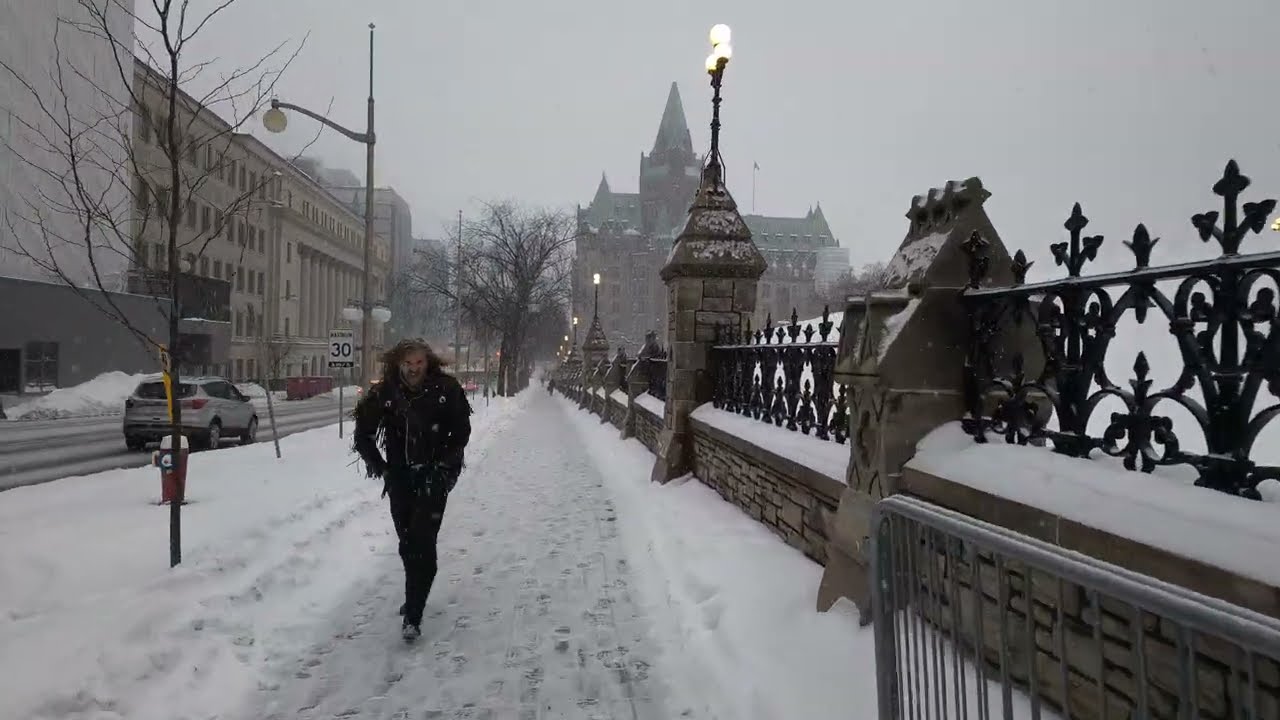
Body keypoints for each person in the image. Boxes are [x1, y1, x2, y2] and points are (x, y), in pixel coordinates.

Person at [352, 338, 472, 642]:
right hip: (400, 479)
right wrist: (382, 468)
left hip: (435, 477)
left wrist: (443, 467)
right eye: (408, 363)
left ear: (428, 362)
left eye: (419, 362)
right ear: (398, 364)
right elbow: (363, 434)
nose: (413, 369)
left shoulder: (446, 389)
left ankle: (413, 616)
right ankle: (414, 593)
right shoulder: (385, 393)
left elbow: (461, 432)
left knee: (423, 541)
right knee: (407, 544)